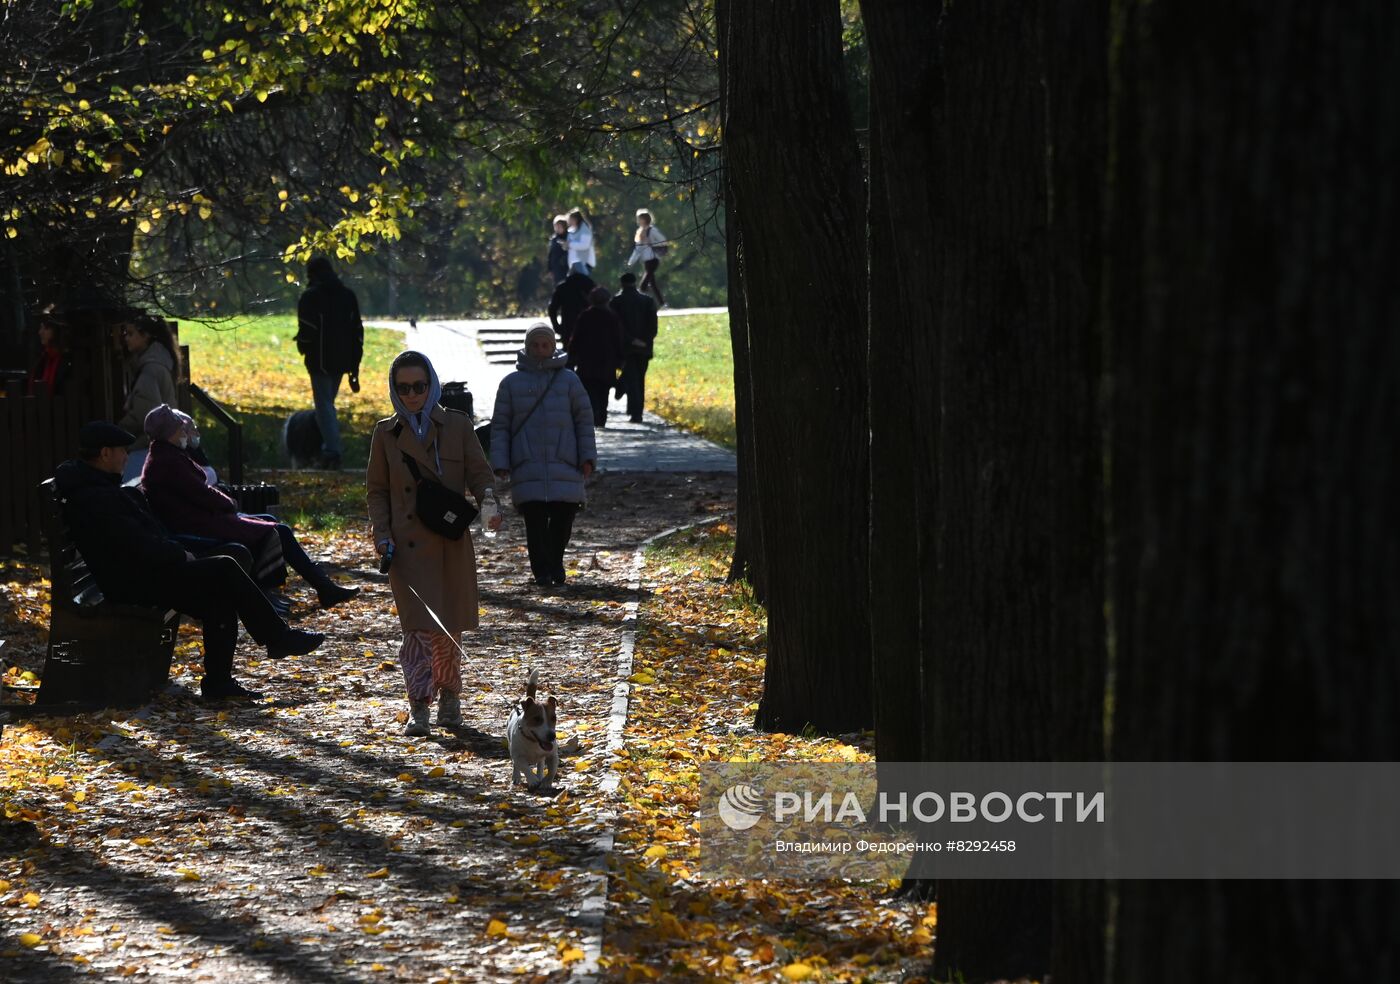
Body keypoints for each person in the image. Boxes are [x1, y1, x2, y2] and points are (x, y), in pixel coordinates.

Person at [53, 421, 324, 701]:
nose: (126, 456)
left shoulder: (102, 487)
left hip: (139, 572)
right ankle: (276, 637)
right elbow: (135, 544)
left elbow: (140, 539)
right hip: (132, 581)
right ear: (105, 453)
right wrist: (179, 553)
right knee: (224, 567)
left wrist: (174, 550)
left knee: (219, 595)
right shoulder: (96, 497)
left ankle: (221, 682)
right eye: (122, 450)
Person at [367, 351, 500, 736]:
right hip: (405, 549)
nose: (411, 395)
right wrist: (382, 533)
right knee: (416, 630)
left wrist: (488, 501)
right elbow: (376, 490)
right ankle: (418, 706)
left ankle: (450, 698)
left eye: (419, 386)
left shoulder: (457, 425)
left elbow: (480, 474)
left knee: (448, 628)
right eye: (403, 388)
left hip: (449, 543)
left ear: (432, 385)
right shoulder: (385, 433)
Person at [140, 405, 360, 611]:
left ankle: (308, 589)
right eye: (180, 429)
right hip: (196, 527)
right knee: (276, 531)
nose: (184, 433)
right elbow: (201, 494)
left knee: (269, 524)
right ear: (169, 432)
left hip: (200, 520)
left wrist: (226, 505)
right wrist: (228, 503)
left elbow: (198, 493)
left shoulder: (166, 455)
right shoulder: (167, 460)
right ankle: (306, 590)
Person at [490, 324, 596, 589]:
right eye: (534, 345)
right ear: (527, 348)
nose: (539, 350)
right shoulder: (511, 384)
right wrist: (501, 462)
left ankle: (556, 561)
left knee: (563, 519)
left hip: (566, 461)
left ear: (553, 347)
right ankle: (542, 571)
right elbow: (501, 425)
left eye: (544, 345)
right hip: (527, 462)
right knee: (535, 523)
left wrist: (587, 457)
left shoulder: (569, 381)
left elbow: (584, 421)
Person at [296, 256, 364, 470]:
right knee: (327, 405)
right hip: (343, 360)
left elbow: (307, 331)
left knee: (324, 406)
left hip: (320, 361)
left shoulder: (310, 297)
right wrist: (354, 363)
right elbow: (357, 331)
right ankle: (322, 446)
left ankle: (331, 451)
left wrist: (304, 347)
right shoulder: (347, 296)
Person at [117, 313, 180, 484]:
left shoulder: (150, 370)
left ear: (146, 336)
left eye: (131, 334)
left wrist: (117, 430)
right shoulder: (159, 363)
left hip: (145, 448)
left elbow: (145, 415)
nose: (126, 339)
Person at [568, 287, 624, 428]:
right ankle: (602, 417)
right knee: (603, 391)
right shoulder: (612, 316)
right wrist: (620, 359)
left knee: (589, 391)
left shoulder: (585, 316)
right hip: (607, 362)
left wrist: (572, 355)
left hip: (587, 362)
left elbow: (576, 338)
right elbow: (618, 340)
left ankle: (593, 415)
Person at [609, 273, 659, 422]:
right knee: (639, 378)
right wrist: (645, 340)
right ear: (635, 282)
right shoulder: (648, 301)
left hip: (626, 347)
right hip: (644, 347)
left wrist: (631, 340)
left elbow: (616, 327)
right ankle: (637, 411)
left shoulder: (616, 302)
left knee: (631, 378)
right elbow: (653, 326)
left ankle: (633, 409)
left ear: (622, 283)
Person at [27, 309, 72, 397]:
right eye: (41, 328)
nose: (40, 332)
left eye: (45, 328)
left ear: (56, 332)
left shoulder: (67, 359)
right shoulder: (43, 357)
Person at [627, 208, 667, 307]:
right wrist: (631, 262)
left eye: (640, 218)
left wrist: (652, 243)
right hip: (646, 261)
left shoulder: (652, 230)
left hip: (653, 259)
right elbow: (638, 249)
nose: (638, 220)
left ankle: (637, 301)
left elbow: (663, 240)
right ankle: (662, 304)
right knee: (652, 284)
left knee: (644, 283)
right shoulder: (640, 232)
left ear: (644, 219)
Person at [547, 268, 595, 351]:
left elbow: (552, 308)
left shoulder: (563, 287)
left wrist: (556, 326)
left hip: (568, 326)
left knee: (568, 355)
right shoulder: (591, 286)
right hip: (589, 327)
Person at [565, 207, 596, 275]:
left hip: (585, 263)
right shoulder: (570, 231)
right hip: (573, 264)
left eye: (570, 219)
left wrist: (570, 244)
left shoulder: (585, 229)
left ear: (575, 219)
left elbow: (585, 245)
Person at [547, 215, 570, 285]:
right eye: (556, 226)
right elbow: (550, 255)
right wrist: (550, 269)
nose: (557, 228)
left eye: (559, 227)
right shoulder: (553, 239)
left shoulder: (569, 237)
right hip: (556, 269)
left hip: (566, 268)